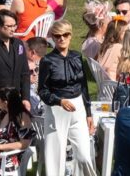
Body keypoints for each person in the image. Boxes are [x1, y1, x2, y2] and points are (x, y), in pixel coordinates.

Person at [37, 21, 93, 176]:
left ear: (70, 35)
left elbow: (84, 86)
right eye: (57, 36)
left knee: (84, 156)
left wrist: (88, 112)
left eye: (65, 35)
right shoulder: (47, 61)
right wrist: (59, 101)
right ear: (53, 38)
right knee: (55, 159)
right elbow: (42, 90)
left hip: (78, 107)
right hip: (56, 109)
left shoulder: (77, 56)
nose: (62, 38)